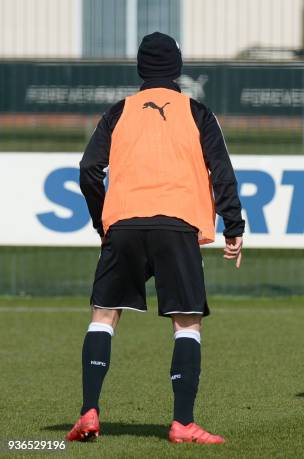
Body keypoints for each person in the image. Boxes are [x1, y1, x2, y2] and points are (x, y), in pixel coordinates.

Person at [67, 32, 244, 443]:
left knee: (104, 315)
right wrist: (234, 225)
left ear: (141, 69)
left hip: (124, 225)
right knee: (186, 323)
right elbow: (221, 170)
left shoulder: (118, 112)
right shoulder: (197, 112)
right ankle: (182, 422)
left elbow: (89, 169)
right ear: (177, 67)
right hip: (176, 224)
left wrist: (102, 223)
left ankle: (89, 412)